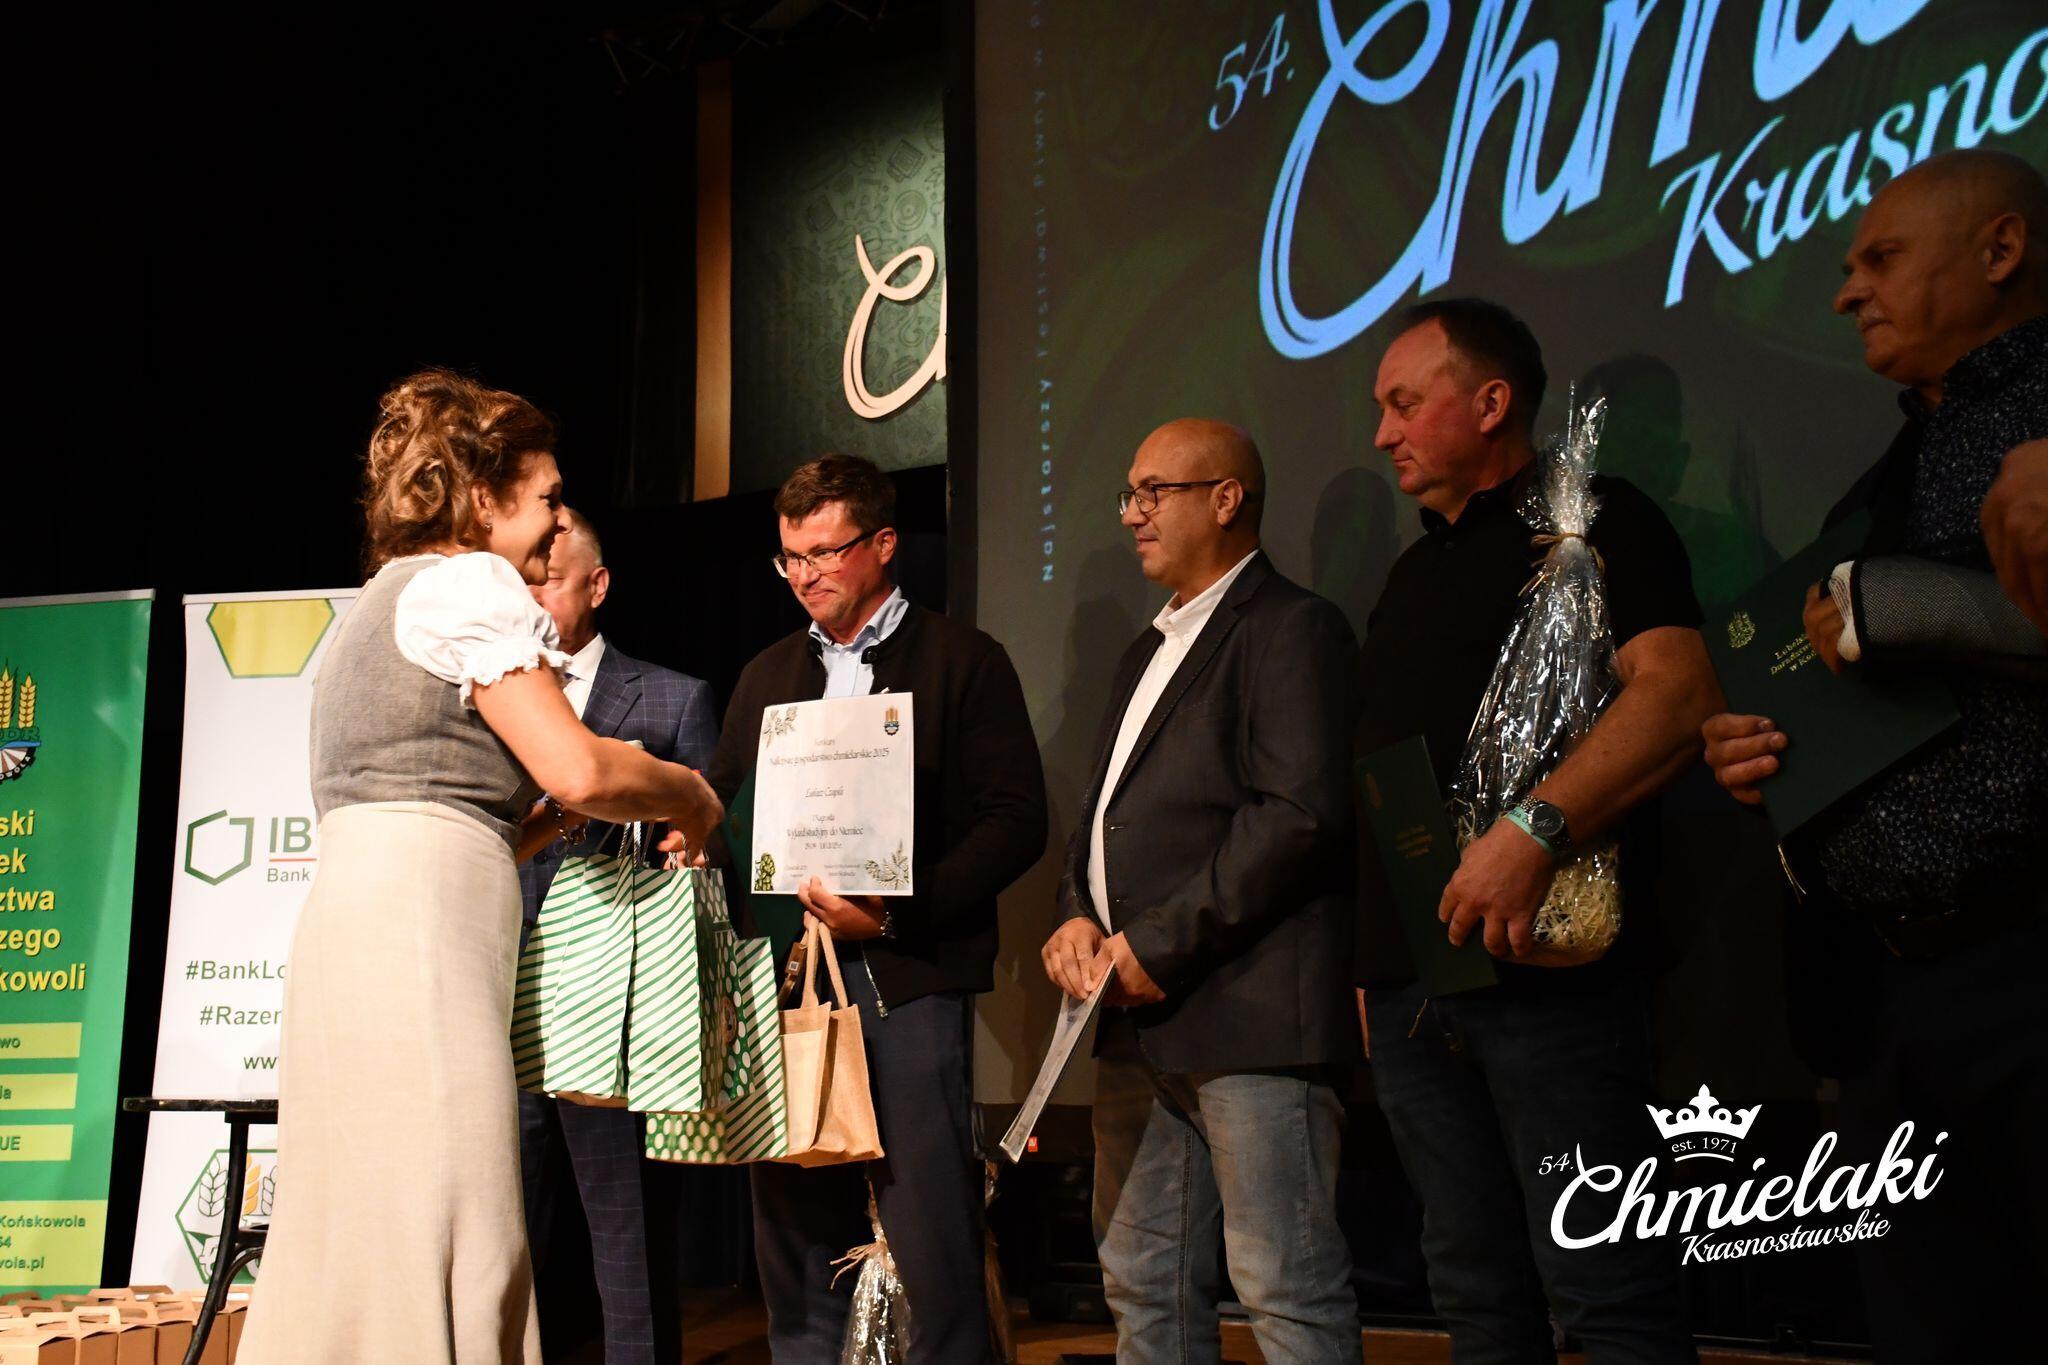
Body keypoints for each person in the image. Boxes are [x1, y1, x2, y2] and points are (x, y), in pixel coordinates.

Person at [238, 371, 723, 1365]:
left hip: (365, 922)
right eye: (547, 496)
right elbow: (579, 767)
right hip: (418, 940)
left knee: (369, 1223)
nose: (558, 522)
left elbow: (461, 812)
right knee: (450, 1206)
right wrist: (689, 794)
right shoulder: (467, 584)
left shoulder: (378, 600)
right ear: (479, 494)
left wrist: (551, 821)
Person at [1702, 149, 2048, 1360]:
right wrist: (1757, 749)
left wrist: (1909, 611)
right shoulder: (1874, 481)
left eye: (1880, 259)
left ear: (1998, 251)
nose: (1847, 291)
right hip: (1887, 1006)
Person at [1354, 300, 1717, 1363]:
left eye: (1402, 404)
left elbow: (1677, 696)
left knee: (1606, 1294)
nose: (1381, 433)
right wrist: (1373, 962)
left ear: (1490, 402)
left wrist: (1532, 832)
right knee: (1474, 1298)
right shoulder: (1410, 574)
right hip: (1417, 991)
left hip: (1555, 979)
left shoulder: (1599, 520)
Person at [704, 454, 1046, 1364]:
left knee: (934, 1241)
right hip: (789, 986)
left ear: (885, 543)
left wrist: (899, 913)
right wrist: (693, 834)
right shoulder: (765, 674)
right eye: (790, 557)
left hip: (909, 979)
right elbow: (729, 811)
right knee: (793, 1246)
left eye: (825, 552)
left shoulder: (964, 660)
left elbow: (1017, 822)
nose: (804, 574)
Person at [1040, 419, 1363, 1363]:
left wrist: (1156, 943)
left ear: (1227, 499)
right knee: (1142, 1284)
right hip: (1133, 1023)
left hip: (1249, 1018)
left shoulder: (1292, 626)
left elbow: (1297, 815)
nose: (1131, 514)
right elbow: (1102, 818)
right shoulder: (1147, 648)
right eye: (1129, 493)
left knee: (1285, 1288)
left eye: (1155, 492)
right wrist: (1073, 913)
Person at [517, 508, 720, 1365]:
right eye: (522, 583)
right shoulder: (494, 690)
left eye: (549, 583)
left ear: (597, 586)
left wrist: (687, 845)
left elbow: (708, 852)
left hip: (614, 1008)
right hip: (498, 992)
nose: (532, 600)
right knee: (497, 1237)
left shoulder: (672, 697)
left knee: (627, 1239)